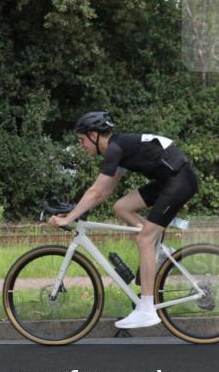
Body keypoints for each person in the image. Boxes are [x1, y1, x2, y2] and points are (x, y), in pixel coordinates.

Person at [47, 111, 199, 328]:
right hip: (170, 180)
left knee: (144, 239)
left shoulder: (115, 148)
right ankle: (159, 251)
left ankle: (147, 309)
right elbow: (105, 191)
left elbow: (96, 192)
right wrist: (75, 213)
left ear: (93, 135)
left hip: (178, 181)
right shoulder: (118, 149)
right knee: (122, 207)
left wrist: (69, 218)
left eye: (82, 140)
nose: (81, 145)